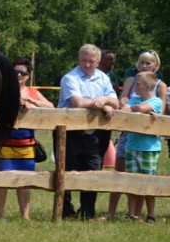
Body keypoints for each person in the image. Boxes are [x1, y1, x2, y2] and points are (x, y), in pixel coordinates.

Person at [57, 44, 118, 220]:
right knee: (66, 170)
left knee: (93, 170)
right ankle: (65, 211)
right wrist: (103, 105)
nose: (88, 64)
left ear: (98, 62)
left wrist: (105, 99)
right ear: (79, 60)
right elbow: (78, 102)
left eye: (91, 61)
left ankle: (87, 213)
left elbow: (116, 102)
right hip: (69, 132)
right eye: (84, 60)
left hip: (94, 134)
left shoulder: (103, 78)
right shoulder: (70, 78)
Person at [103, 50, 166, 220]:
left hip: (148, 140)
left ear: (155, 65)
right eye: (141, 62)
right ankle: (115, 211)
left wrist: (146, 110)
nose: (144, 65)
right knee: (123, 172)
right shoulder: (131, 81)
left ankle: (144, 213)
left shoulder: (159, 86)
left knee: (146, 178)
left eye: (148, 63)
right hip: (128, 136)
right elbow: (124, 102)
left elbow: (158, 107)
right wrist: (131, 107)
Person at [0, 58, 54, 221]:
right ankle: (0, 215)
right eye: (15, 72)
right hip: (3, 144)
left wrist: (32, 102)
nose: (18, 75)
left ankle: (25, 216)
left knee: (25, 181)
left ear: (28, 75)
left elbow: (51, 107)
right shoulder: (2, 90)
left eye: (22, 73)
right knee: (1, 179)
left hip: (26, 145)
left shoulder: (33, 92)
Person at [120, 71, 163, 223]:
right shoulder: (135, 99)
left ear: (148, 86)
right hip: (131, 146)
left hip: (148, 148)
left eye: (138, 83)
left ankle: (150, 214)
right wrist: (139, 109)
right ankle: (132, 214)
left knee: (148, 182)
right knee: (132, 181)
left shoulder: (157, 101)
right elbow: (124, 110)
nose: (135, 86)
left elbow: (141, 109)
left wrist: (143, 109)